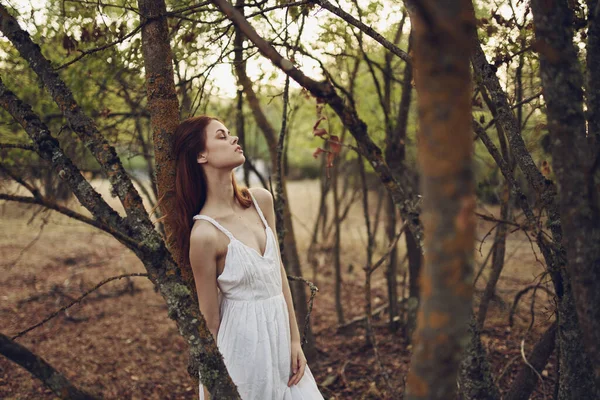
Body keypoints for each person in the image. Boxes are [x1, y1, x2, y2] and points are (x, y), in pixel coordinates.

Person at [169, 116, 325, 399]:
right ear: (201, 155)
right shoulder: (204, 234)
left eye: (230, 133)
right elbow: (210, 321)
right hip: (242, 353)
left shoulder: (260, 201)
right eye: (221, 136)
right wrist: (210, 386)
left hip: (281, 344)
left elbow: (277, 274)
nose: (233, 139)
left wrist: (293, 340)